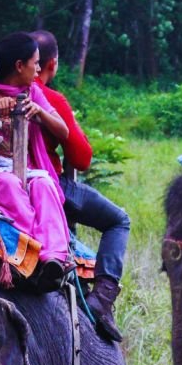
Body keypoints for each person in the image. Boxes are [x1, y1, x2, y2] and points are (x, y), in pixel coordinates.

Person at [29, 29, 129, 342]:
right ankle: (103, 297)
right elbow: (82, 158)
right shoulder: (49, 98)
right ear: (52, 64)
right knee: (118, 220)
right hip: (46, 184)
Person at [0, 32, 71, 284]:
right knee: (9, 184)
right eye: (34, 63)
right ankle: (27, 252)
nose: (37, 70)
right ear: (19, 65)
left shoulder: (33, 91)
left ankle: (54, 257)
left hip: (27, 169)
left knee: (44, 185)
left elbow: (63, 130)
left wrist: (41, 114)